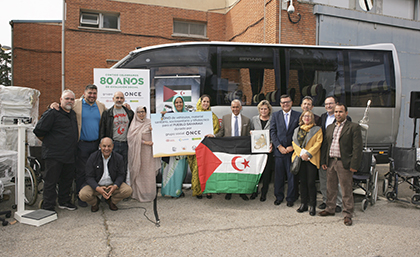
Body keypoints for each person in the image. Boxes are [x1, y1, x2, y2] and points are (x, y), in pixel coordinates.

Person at [51, 84, 107, 207]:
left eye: (94, 93)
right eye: (90, 93)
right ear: (84, 93)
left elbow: (111, 114)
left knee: (96, 170)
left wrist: (125, 106)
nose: (92, 95)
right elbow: (62, 107)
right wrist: (53, 105)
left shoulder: (101, 106)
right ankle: (81, 196)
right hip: (81, 145)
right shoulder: (76, 104)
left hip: (96, 145)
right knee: (81, 171)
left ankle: (95, 194)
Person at [33, 89, 78, 212]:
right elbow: (38, 130)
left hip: (69, 154)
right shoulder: (52, 113)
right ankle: (48, 206)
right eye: (67, 98)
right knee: (51, 181)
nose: (69, 101)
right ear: (60, 100)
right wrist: (51, 143)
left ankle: (64, 201)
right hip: (54, 155)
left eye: (72, 99)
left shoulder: (72, 114)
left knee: (66, 180)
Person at [319, 103, 363, 226]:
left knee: (346, 189)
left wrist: (354, 165)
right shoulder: (330, 127)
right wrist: (324, 161)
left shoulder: (354, 127)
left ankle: (348, 214)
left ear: (346, 113)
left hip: (344, 163)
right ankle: (330, 208)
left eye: (341, 112)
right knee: (330, 187)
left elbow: (357, 148)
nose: (338, 114)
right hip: (331, 161)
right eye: (336, 112)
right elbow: (325, 146)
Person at [79, 137, 133, 212]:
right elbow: (89, 177)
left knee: (128, 190)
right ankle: (95, 203)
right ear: (100, 146)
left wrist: (115, 186)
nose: (106, 149)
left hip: (112, 185)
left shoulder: (118, 158)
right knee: (83, 194)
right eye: (104, 146)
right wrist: (98, 188)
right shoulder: (93, 157)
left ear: (113, 146)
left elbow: (121, 175)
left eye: (109, 146)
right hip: (97, 185)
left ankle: (112, 202)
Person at [318, 96, 352, 212]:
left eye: (331, 104)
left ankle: (338, 203)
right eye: (326, 104)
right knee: (325, 180)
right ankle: (326, 201)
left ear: (336, 104)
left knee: (338, 181)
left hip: (338, 155)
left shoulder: (346, 119)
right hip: (325, 152)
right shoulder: (323, 117)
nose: (329, 106)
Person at [214, 99, 251, 201]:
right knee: (229, 171)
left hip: (241, 149)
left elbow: (248, 136)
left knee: (241, 171)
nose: (235, 109)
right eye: (233, 107)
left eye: (237, 107)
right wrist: (213, 136)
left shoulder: (247, 120)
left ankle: (241, 192)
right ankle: (229, 191)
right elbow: (221, 133)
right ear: (231, 108)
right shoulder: (225, 118)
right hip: (228, 149)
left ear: (241, 108)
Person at [187, 95, 220, 199]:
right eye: (204, 101)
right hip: (196, 147)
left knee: (208, 168)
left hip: (208, 147)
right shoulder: (193, 115)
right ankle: (198, 190)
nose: (206, 103)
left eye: (208, 101)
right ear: (200, 102)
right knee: (198, 169)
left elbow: (216, 129)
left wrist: (212, 134)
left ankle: (208, 191)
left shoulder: (213, 116)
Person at [270, 94, 301, 207]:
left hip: (292, 151)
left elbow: (301, 133)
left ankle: (290, 198)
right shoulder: (275, 115)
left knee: (292, 176)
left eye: (287, 102)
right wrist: (279, 146)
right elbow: (272, 132)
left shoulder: (298, 115)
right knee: (279, 176)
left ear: (291, 103)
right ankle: (279, 197)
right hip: (279, 152)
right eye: (283, 102)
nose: (285, 104)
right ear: (280, 104)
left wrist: (292, 147)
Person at [291, 111, 323, 216]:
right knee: (303, 182)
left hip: (311, 159)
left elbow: (318, 143)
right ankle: (303, 204)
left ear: (312, 118)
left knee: (311, 183)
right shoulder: (297, 130)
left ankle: (312, 205)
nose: (307, 118)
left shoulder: (317, 130)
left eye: (309, 116)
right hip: (300, 159)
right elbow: (294, 143)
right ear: (302, 118)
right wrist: (301, 154)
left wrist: (308, 154)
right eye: (305, 116)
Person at [127, 106, 160, 202]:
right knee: (139, 172)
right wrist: (145, 142)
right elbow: (131, 138)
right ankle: (138, 194)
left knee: (149, 173)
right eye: (139, 112)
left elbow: (159, 134)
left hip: (149, 154)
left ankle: (149, 194)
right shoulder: (133, 124)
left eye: (143, 112)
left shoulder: (150, 122)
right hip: (138, 153)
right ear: (136, 113)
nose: (141, 114)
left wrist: (153, 129)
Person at [160, 95, 188, 198]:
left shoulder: (188, 115)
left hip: (183, 150)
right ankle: (169, 191)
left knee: (180, 171)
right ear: (173, 104)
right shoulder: (168, 115)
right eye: (176, 102)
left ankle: (177, 191)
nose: (179, 104)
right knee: (169, 171)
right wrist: (162, 118)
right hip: (170, 150)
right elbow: (161, 128)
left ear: (183, 103)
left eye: (180, 102)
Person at [99, 91, 134, 173]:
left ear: (124, 100)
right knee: (111, 167)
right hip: (113, 144)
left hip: (125, 144)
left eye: (121, 98)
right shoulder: (107, 113)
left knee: (124, 167)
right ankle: (112, 185)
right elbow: (102, 130)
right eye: (117, 98)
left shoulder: (129, 113)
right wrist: (102, 145)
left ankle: (122, 184)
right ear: (113, 99)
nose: (119, 100)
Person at [250, 100, 273, 201]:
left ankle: (264, 192)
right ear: (259, 110)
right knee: (256, 172)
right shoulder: (254, 119)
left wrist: (272, 144)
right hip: (257, 151)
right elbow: (250, 132)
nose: (263, 111)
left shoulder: (273, 120)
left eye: (265, 109)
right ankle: (254, 191)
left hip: (268, 151)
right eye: (261, 109)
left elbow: (275, 133)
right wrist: (251, 133)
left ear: (269, 110)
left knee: (266, 173)